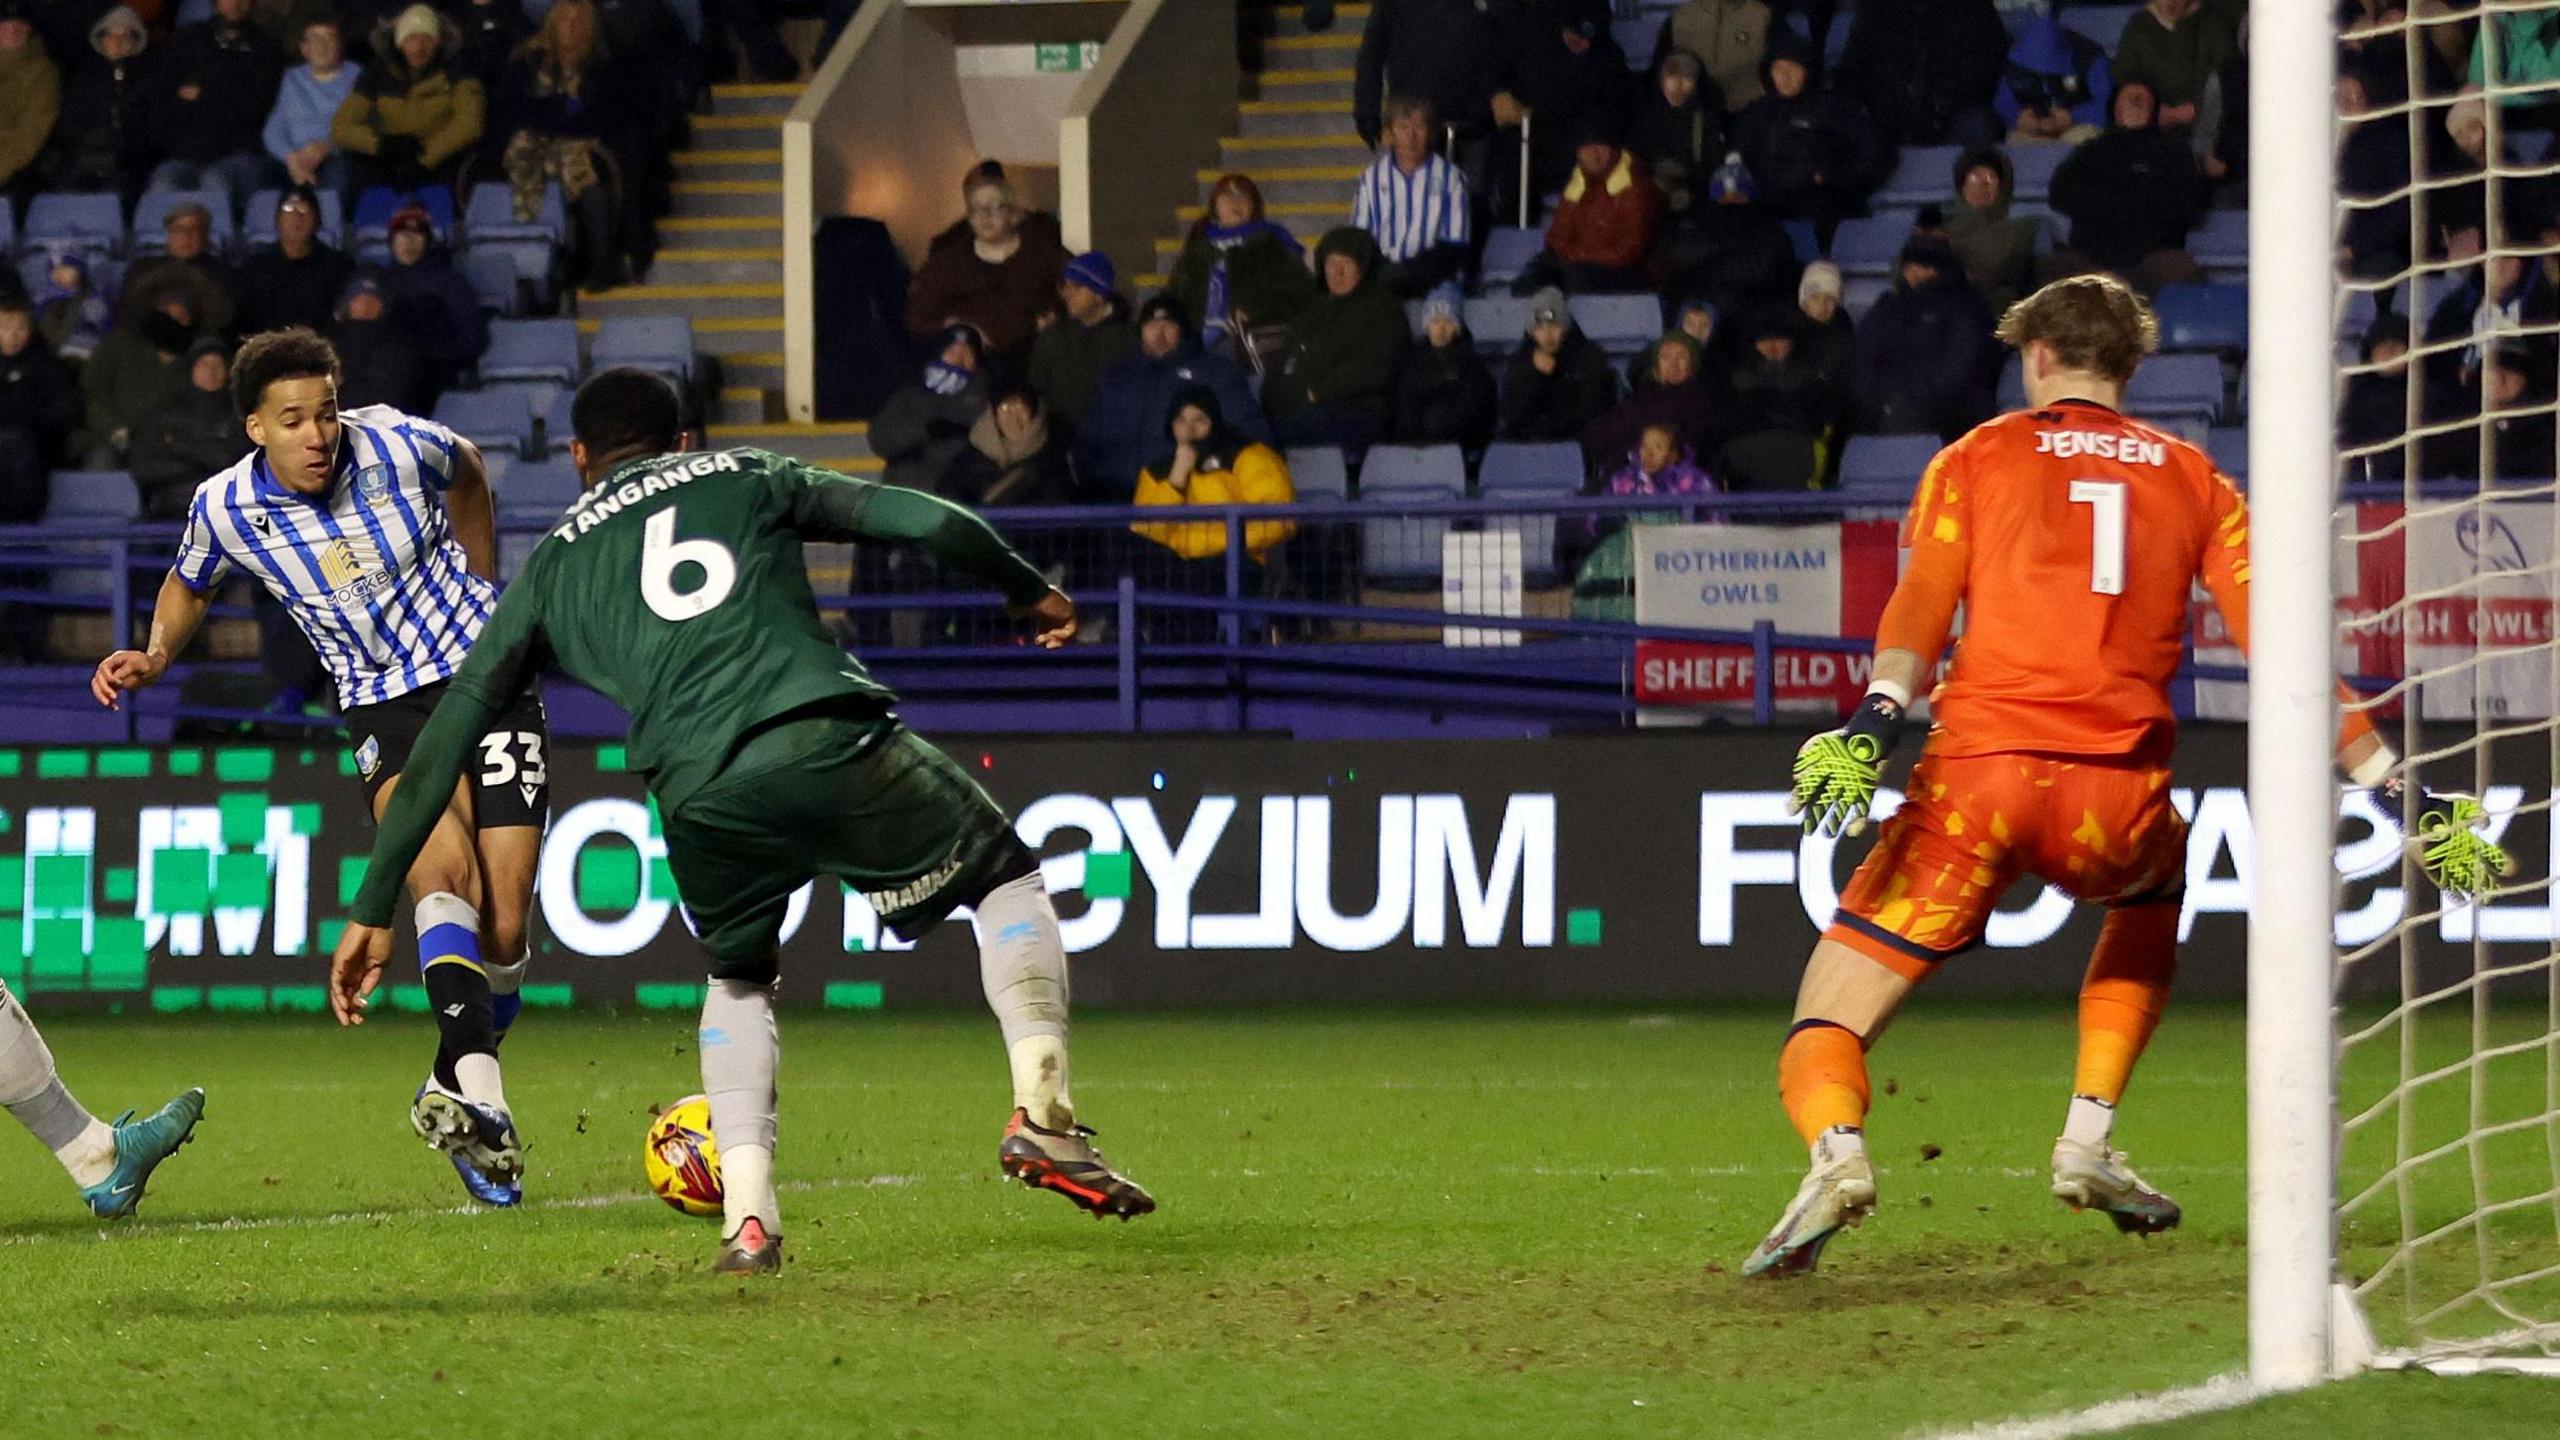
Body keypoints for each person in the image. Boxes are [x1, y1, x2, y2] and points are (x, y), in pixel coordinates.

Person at [1744, 273, 2508, 1278]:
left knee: (1826, 1015)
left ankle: (1838, 1154)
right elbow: (2281, 654)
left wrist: (1872, 722)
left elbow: (1921, 603)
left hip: (1979, 780)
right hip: (2113, 794)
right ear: (2131, 368)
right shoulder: (2194, 480)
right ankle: (2087, 1136)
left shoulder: (1974, 457)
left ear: (2038, 358)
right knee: (2155, 888)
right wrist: (2397, 790)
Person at [330, 367, 1156, 1274]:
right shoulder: (747, 473)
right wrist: (1028, 589)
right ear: (684, 441)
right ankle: (1043, 1119)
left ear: (577, 459)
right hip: (823, 735)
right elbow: (921, 517)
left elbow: (444, 740)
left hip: (699, 795)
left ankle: (750, 1222)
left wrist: (374, 907)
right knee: (1005, 880)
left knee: (740, 977)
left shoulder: (554, 565)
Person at [94, 327, 550, 1209]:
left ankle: (451, 1083)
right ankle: (483, 1108)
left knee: (505, 924)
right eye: (294, 420)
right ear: (256, 427)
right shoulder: (225, 505)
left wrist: (486, 588)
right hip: (382, 703)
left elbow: (467, 468)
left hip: (484, 678)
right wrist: (153, 654)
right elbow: (190, 582)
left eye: (326, 413)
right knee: (438, 872)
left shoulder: (394, 443)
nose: (318, 435)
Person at [1132, 383, 1298, 637]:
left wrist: (1222, 544)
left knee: (1202, 583)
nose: (1189, 428)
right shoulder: (1157, 472)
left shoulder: (1249, 456)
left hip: (1239, 561)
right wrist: (1177, 478)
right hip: (1180, 567)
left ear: (1214, 420)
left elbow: (1277, 519)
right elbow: (1148, 531)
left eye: (1199, 419)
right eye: (1180, 420)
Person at [492, 0, 632, 293]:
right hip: (530, 146)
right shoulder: (528, 60)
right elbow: (514, 109)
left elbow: (596, 116)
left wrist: (548, 114)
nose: (569, 28)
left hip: (580, 144)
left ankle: (599, 260)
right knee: (525, 160)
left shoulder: (600, 65)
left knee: (582, 174)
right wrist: (557, 112)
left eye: (577, 22)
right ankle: (538, 268)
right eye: (564, 21)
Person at [1077, 293, 1267, 502]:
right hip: (1115, 501)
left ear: (1182, 331)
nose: (1158, 334)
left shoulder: (1213, 372)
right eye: (1151, 326)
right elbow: (1089, 441)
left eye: (1168, 326)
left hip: (1184, 500)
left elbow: (1247, 432)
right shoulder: (1117, 377)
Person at [2046, 81, 2208, 290]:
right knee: (2058, 267)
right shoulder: (2090, 152)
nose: (2136, 102)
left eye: (2142, 98)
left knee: (2179, 266)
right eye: (2129, 98)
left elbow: (2190, 206)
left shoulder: (2175, 153)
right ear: (2115, 107)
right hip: (2093, 262)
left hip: (2152, 261)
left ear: (2155, 108)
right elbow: (2060, 195)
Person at [1730, 28, 1888, 242]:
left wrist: (1837, 176)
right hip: (1768, 213)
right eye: (1779, 69)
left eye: (1793, 68)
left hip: (1821, 212)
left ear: (1808, 71)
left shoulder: (1834, 109)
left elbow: (1876, 154)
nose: (1785, 77)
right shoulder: (1756, 115)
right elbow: (1736, 161)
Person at [1263, 227, 1407, 449]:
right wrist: (1286, 396)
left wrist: (1314, 394)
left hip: (1359, 414)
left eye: (1346, 265)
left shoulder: (1384, 310)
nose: (1336, 273)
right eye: (1331, 263)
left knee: (1263, 439)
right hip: (1303, 411)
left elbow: (1373, 372)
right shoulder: (1312, 310)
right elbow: (1282, 365)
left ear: (1364, 267)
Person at [905, 170, 1070, 364]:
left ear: (1012, 212)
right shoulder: (950, 261)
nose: (985, 216)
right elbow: (916, 314)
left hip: (1030, 358)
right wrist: (952, 325)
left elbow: (1077, 290)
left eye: (995, 207)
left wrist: (1056, 316)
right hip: (970, 361)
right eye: (977, 209)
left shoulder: (1041, 252)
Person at [1851, 235, 1995, 439]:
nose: (1915, 272)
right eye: (1910, 266)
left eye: (1923, 265)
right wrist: (1875, 398)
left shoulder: (1965, 304)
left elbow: (1962, 362)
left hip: (1949, 415)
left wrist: (1914, 397)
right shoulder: (1889, 305)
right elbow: (1864, 355)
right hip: (1886, 408)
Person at [331, 4, 485, 195]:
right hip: (388, 158)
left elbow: (469, 124)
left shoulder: (459, 71)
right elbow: (341, 127)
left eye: (427, 39)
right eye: (412, 38)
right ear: (399, 42)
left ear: (438, 42)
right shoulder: (377, 74)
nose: (419, 47)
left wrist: (425, 159)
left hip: (441, 160)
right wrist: (382, 145)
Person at [147, 0, 285, 211]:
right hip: (186, 154)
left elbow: (256, 108)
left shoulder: (266, 46)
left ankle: (217, 244)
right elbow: (165, 100)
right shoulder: (187, 39)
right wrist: (226, 94)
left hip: (241, 153)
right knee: (163, 182)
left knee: (215, 181)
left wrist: (204, 94)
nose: (235, 3)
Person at [1493, 1, 1633, 205]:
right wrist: (1497, 93)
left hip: (1579, 139)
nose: (1583, 43)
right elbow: (1496, 69)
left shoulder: (1605, 53)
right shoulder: (1520, 29)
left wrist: (1596, 138)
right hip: (1527, 137)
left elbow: (1612, 100)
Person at [1167, 172, 1314, 356]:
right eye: (1228, 196)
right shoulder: (1198, 249)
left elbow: (1301, 296)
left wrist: (1255, 313)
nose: (1236, 203)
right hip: (1194, 342)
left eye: (1243, 196)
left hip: (1251, 342)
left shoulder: (1272, 244)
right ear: (1215, 205)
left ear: (1254, 205)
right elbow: (1173, 298)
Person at [1515, 115, 1663, 295]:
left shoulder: (1635, 188)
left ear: (1614, 150)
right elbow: (1556, 237)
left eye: (1600, 147)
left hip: (1627, 273)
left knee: (1578, 277)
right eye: (1587, 148)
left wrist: (1581, 257)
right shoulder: (1577, 185)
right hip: (1579, 266)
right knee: (1534, 277)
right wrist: (1574, 257)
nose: (1594, 155)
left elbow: (1630, 251)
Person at [1828, 0, 2006, 148]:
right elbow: (1851, 71)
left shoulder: (1974, 7)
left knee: (1979, 126)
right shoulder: (1876, 9)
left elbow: (1988, 68)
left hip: (1952, 121)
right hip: (1885, 126)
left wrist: (1943, 104)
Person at [1351, 94, 1472, 300]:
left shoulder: (1451, 178)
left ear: (1431, 133)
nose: (1411, 136)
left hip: (1436, 279)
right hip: (1383, 278)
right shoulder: (1370, 179)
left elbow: (1454, 246)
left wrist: (1409, 273)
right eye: (1403, 127)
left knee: (1440, 320)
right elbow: (1359, 240)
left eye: (1419, 127)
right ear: (1390, 134)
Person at [48, 5, 157, 202]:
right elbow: (67, 123)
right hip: (83, 159)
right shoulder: (84, 77)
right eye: (111, 34)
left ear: (137, 40)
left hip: (130, 165)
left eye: (126, 35)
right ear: (101, 38)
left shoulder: (150, 76)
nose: (118, 41)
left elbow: (154, 126)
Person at [378, 202, 485, 399]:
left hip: (433, 377)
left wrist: (434, 355)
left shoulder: (449, 281)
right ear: (391, 241)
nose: (408, 242)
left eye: (416, 235)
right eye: (402, 235)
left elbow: (474, 335)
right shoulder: (379, 281)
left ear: (427, 241)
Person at [1025, 250, 1135, 440]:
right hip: (1059, 441)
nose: (1067, 294)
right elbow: (1036, 390)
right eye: (1065, 286)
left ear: (1099, 294)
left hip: (1113, 439)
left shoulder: (1130, 338)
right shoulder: (1052, 337)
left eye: (1076, 287)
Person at [870, 322, 989, 494]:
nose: (958, 359)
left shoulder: (984, 396)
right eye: (952, 351)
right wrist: (923, 430)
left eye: (967, 353)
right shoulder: (910, 393)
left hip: (957, 495)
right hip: (906, 491)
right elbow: (881, 440)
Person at [130, 336, 242, 518]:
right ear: (191, 369)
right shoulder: (162, 416)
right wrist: (204, 464)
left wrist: (178, 445)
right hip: (168, 513)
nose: (211, 371)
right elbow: (145, 469)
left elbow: (230, 462)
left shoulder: (238, 416)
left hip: (224, 512)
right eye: (204, 365)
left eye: (218, 365)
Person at [1720, 306, 1832, 489]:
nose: (1772, 348)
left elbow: (1818, 423)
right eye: (1765, 341)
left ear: (1791, 344)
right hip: (1748, 462)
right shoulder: (1736, 380)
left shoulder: (1809, 379)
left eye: (1780, 341)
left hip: (1797, 456)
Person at [1586, 330, 1725, 467]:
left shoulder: (1699, 397)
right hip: (1628, 470)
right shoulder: (1643, 394)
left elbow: (1691, 444)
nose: (1673, 364)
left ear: (1693, 363)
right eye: (1665, 357)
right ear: (1656, 365)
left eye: (1681, 357)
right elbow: (1600, 434)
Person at [79, 302, 193, 468]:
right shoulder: (118, 345)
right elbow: (92, 395)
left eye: (182, 315)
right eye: (168, 312)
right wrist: (113, 428)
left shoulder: (197, 355)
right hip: (111, 438)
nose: (174, 319)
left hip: (168, 445)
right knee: (100, 462)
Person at [1498, 286, 1615, 443]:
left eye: (1554, 326)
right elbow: (1512, 415)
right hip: (1528, 444)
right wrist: (1535, 375)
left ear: (1566, 327)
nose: (1547, 335)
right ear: (1531, 332)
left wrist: (1550, 431)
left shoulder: (1590, 356)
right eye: (1539, 328)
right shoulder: (1521, 360)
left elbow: (1591, 411)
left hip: (1574, 443)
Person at [0, 292, 80, 517]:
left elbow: (62, 416)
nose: (13, 335)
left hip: (33, 459)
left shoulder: (48, 368)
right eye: (5, 328)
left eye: (20, 328)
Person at [237, 184, 353, 336]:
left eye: (304, 210)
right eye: (289, 210)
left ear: (317, 220)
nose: (296, 217)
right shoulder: (256, 267)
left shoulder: (339, 266)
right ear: (277, 220)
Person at [1392, 282, 1497, 449]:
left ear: (1457, 327)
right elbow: (1406, 409)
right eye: (1434, 321)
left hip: (1459, 447)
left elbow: (1474, 410)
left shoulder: (1471, 364)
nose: (1440, 328)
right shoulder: (1412, 363)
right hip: (1418, 448)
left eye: (1447, 322)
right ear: (1426, 326)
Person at [263, 17, 359, 197]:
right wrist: (291, 159)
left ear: (340, 45)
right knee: (264, 184)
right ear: (304, 48)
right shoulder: (292, 78)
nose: (322, 46)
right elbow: (274, 129)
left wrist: (326, 146)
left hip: (336, 154)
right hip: (294, 156)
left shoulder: (357, 76)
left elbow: (360, 125)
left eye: (329, 38)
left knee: (337, 179)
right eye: (315, 39)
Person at [2111, 0, 2239, 131]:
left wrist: (2196, 110)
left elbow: (2228, 79)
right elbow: (2125, 81)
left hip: (2206, 130)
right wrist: (2152, 111)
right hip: (2152, 131)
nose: (2171, 2)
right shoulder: (2139, 27)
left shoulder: (2213, 25)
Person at [941, 380, 1071, 509]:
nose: (1013, 417)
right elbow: (947, 499)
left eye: (1021, 408)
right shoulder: (969, 458)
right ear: (993, 415)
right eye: (1004, 408)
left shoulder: (1052, 460)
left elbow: (1056, 509)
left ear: (1034, 414)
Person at [122, 201, 241, 339]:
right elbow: (127, 314)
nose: (186, 237)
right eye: (179, 230)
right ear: (168, 234)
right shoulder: (142, 269)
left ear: (206, 235)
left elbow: (225, 321)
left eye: (194, 230)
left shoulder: (224, 275)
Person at [1628, 50, 1722, 219]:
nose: (1677, 85)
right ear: (1661, 79)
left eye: (1687, 78)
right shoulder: (1645, 117)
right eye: (1671, 76)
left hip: (1694, 206)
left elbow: (1712, 167)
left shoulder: (1705, 120)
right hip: (1649, 202)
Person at [1946, 147, 2038, 319]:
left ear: (2002, 186)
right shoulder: (1939, 226)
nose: (1982, 185)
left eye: (1990, 177)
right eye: (1974, 176)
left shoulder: (2023, 231)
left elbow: (1993, 267)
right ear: (1962, 183)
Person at [1996, 14, 2110, 146]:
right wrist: (2018, 117)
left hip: (2078, 126)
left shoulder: (2092, 60)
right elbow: (2002, 100)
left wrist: (2073, 117)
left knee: (2079, 141)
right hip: (2035, 127)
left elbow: (2106, 106)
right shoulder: (2017, 62)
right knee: (2016, 143)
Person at [1653, 0, 1771, 115]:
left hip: (1752, 113)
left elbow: (1777, 66)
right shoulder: (1681, 17)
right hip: (1697, 116)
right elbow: (1659, 71)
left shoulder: (1762, 15)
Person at [330, 270, 422, 411]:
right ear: (347, 304)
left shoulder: (395, 341)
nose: (365, 304)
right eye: (358, 298)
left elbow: (391, 387)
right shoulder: (331, 337)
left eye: (372, 299)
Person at [0, 3, 59, 208]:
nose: (13, 31)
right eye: (6, 26)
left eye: (20, 26)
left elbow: (30, 134)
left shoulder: (42, 72)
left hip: (15, 171)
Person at [35, 250, 107, 362]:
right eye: (54, 269)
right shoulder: (43, 301)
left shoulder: (93, 300)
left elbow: (99, 331)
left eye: (66, 268)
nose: (59, 273)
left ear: (80, 271)